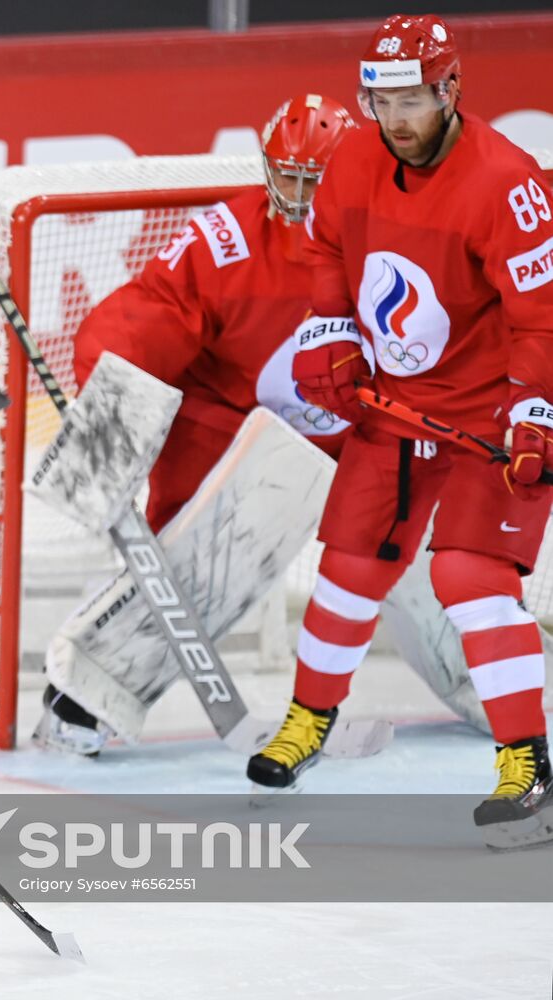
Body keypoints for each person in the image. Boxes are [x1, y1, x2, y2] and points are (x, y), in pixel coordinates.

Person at [249, 15, 552, 831]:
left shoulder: (507, 182)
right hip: (398, 408)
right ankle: (309, 719)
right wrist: (331, 329)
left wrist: (534, 412)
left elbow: (542, 317)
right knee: (346, 565)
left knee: (469, 576)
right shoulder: (352, 154)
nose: (394, 121)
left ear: (450, 90)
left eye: (411, 101)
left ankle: (526, 759)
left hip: (490, 414)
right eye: (379, 102)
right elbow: (328, 255)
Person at [35, 94, 359, 753]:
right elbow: (150, 313)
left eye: (314, 181)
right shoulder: (228, 239)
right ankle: (83, 696)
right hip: (224, 415)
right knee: (191, 557)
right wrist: (110, 409)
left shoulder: (396, 231)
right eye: (286, 175)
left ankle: (496, 682)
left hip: (356, 425)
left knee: (436, 551)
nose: (296, 196)